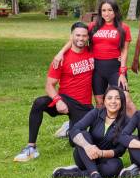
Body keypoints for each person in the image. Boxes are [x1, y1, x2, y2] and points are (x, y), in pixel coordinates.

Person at [14, 22, 94, 162]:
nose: (81, 38)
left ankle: (69, 127)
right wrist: (58, 100)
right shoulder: (61, 59)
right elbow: (49, 85)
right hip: (65, 99)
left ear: (88, 37)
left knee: (74, 142)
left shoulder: (92, 51)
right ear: (71, 37)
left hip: (83, 105)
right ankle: (31, 147)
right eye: (77, 35)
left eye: (84, 35)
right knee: (39, 103)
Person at [52, 0, 135, 116]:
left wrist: (122, 72)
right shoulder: (93, 26)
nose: (107, 13)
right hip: (97, 69)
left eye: (110, 10)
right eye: (104, 10)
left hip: (115, 69)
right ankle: (102, 129)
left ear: (115, 11)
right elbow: (75, 38)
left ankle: (138, 128)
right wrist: (61, 53)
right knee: (100, 102)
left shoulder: (123, 28)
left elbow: (124, 50)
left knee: (125, 99)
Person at [52, 86, 129, 178]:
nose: (113, 101)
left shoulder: (127, 121)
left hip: (106, 158)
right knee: (82, 134)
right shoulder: (96, 113)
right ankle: (95, 176)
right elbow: (75, 129)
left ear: (122, 101)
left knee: (116, 167)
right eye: (109, 98)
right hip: (84, 155)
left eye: (117, 98)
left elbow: (120, 151)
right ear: (104, 101)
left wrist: (100, 153)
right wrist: (87, 147)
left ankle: (78, 173)